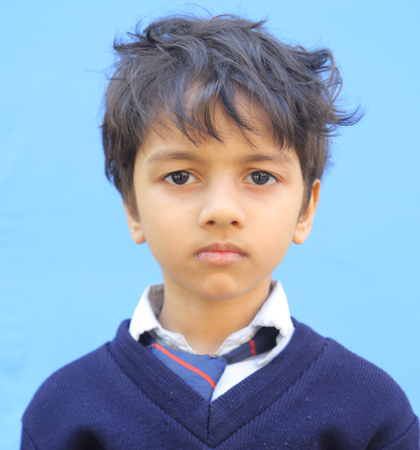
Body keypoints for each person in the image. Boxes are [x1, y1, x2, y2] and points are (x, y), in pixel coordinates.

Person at [21, 14, 419, 449]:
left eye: (261, 177)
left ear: (306, 208)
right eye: (180, 176)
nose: (221, 211)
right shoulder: (64, 411)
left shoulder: (370, 411)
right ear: (132, 207)